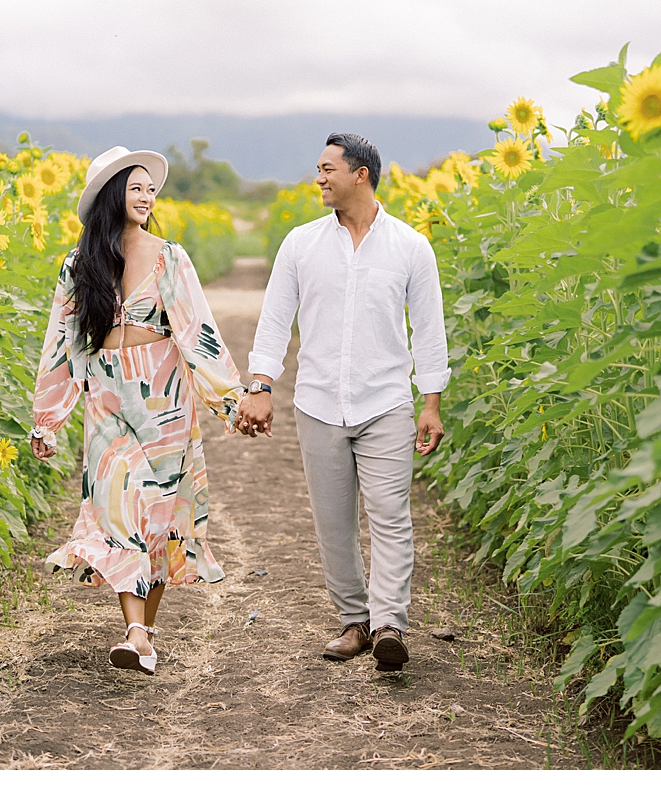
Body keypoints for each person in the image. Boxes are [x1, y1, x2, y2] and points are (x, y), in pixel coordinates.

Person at [235, 132, 448, 672]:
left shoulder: (410, 246)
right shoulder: (301, 244)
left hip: (386, 403)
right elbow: (276, 320)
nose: (319, 177)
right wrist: (260, 386)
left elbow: (429, 330)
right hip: (320, 401)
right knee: (334, 522)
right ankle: (355, 622)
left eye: (329, 168)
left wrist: (431, 403)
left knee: (391, 516)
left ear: (362, 174)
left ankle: (390, 625)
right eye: (317, 168)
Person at [30, 146, 245, 675]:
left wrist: (231, 401)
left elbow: (198, 331)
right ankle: (135, 631)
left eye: (152, 189)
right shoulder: (78, 266)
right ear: (112, 195)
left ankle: (141, 635)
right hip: (107, 398)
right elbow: (61, 342)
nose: (148, 197)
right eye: (137, 188)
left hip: (163, 397)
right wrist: (48, 418)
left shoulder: (170, 256)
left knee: (159, 517)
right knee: (118, 504)